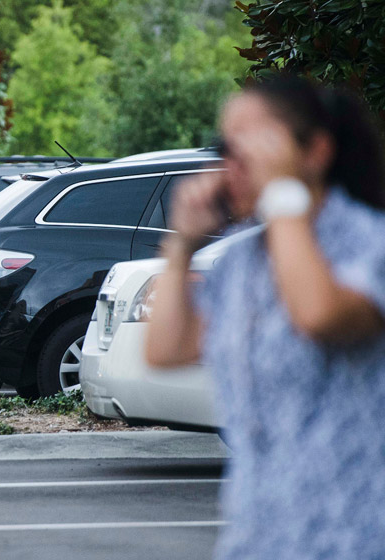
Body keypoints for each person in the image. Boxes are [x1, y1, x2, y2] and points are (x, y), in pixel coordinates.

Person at [145, 76, 385, 559]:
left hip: (356, 536)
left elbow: (319, 316)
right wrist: (181, 246)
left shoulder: (369, 242)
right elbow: (166, 351)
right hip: (259, 539)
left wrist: (283, 194)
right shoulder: (242, 263)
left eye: (251, 148)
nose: (229, 167)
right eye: (224, 150)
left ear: (315, 151)